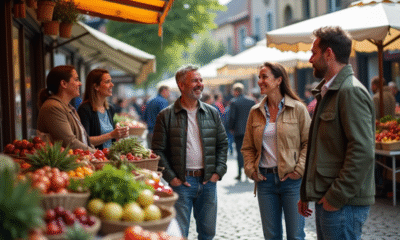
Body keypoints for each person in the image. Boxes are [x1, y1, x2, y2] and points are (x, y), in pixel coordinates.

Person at [298, 26, 375, 240]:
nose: (310, 59)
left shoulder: (350, 91)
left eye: (314, 52)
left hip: (343, 203)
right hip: (329, 199)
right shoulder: (330, 91)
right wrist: (308, 193)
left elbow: (362, 151)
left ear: (329, 54)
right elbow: (323, 149)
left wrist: (336, 197)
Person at [151, 65, 228, 240]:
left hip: (208, 182)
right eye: (194, 80)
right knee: (180, 233)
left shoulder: (212, 113)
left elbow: (222, 144)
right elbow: (157, 151)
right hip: (182, 183)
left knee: (208, 233)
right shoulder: (165, 115)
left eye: (200, 80)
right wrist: (172, 178)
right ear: (182, 85)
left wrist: (218, 172)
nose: (199, 84)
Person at [241, 62, 311, 240]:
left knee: (295, 235)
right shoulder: (255, 112)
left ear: (279, 80)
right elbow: (247, 147)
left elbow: (309, 143)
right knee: (271, 236)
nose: (260, 81)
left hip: (292, 182)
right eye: (259, 77)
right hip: (265, 182)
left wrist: (299, 171)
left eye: (264, 77)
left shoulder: (298, 109)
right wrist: (251, 170)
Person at [37, 65, 95, 151]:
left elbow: (83, 140)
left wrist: (98, 153)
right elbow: (69, 142)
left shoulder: (68, 107)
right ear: (64, 84)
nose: (80, 83)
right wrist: (96, 153)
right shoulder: (53, 107)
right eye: (76, 79)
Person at [77, 69, 129, 150]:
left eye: (111, 81)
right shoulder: (84, 109)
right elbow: (85, 140)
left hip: (111, 157)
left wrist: (120, 134)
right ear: (96, 86)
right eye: (107, 82)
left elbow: (112, 139)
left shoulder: (110, 109)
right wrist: (111, 135)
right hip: (96, 159)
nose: (112, 85)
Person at [228, 82, 256, 181]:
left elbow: (232, 117)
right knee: (249, 152)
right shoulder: (251, 101)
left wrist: (230, 128)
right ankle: (250, 172)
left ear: (236, 91)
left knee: (240, 152)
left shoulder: (234, 102)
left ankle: (240, 173)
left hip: (238, 131)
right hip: (250, 130)